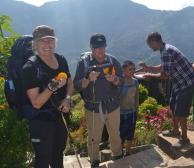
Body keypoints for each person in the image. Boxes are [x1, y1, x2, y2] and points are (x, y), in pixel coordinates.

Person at [22, 25, 73, 168]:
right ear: (35, 44)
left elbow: (70, 83)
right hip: (41, 122)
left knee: (58, 158)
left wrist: (67, 98)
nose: (47, 44)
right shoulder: (30, 68)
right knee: (43, 161)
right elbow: (37, 103)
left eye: (50, 40)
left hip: (59, 119)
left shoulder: (61, 60)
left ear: (55, 42)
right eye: (42, 41)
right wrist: (52, 87)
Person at [140, 32, 194, 148]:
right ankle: (175, 131)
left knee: (181, 112)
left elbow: (165, 75)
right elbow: (164, 66)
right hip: (179, 83)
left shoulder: (166, 51)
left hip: (186, 83)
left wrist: (149, 75)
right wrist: (148, 68)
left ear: (154, 42)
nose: (150, 47)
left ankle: (184, 139)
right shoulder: (165, 49)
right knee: (172, 106)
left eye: (150, 45)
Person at [73, 33, 123, 167]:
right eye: (97, 48)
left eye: (102, 47)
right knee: (94, 138)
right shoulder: (84, 63)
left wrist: (115, 79)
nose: (100, 51)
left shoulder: (112, 61)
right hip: (93, 108)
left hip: (113, 105)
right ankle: (94, 161)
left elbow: (121, 81)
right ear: (91, 48)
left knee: (115, 135)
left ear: (106, 46)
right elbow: (77, 86)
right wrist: (88, 79)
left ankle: (118, 158)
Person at [119, 60, 139, 156]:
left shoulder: (135, 82)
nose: (133, 71)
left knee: (130, 134)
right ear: (123, 70)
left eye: (134, 69)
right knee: (121, 135)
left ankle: (128, 152)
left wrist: (137, 111)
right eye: (130, 69)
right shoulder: (119, 82)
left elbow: (136, 98)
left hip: (132, 113)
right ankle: (119, 153)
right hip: (121, 114)